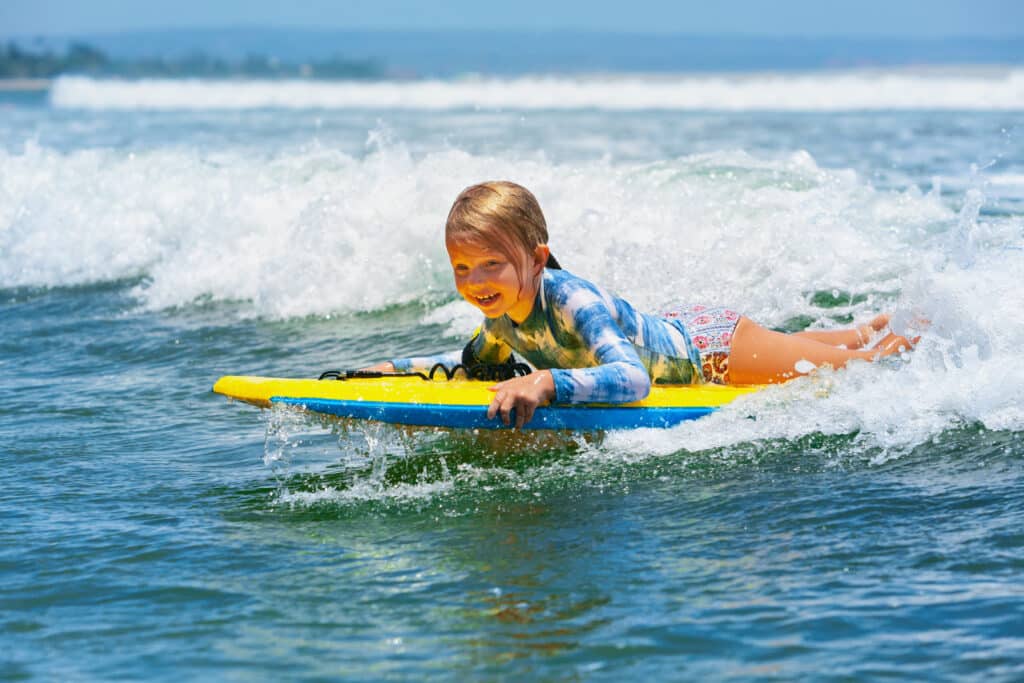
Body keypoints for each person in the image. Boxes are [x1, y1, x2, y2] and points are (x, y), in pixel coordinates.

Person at [364, 181, 916, 429]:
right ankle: (867, 327)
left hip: (711, 350)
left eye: (491, 264)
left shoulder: (571, 300)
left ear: (537, 258)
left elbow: (633, 380)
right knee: (821, 346)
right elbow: (481, 362)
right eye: (462, 267)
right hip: (685, 331)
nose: (475, 280)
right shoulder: (501, 313)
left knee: (858, 367)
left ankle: (911, 340)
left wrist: (547, 383)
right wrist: (402, 370)